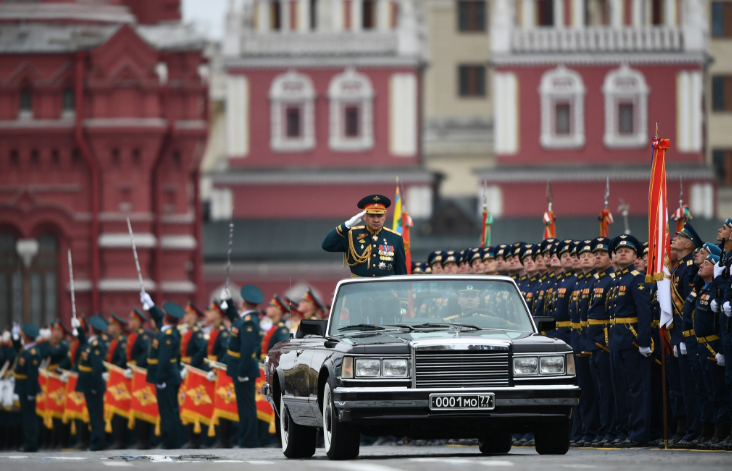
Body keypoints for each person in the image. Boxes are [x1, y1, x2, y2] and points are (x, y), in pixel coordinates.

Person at [608, 234, 653, 447]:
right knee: (621, 390)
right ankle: (624, 430)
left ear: (635, 255)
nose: (622, 253)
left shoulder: (636, 278)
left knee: (637, 389)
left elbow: (644, 312)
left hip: (633, 340)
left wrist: (644, 341)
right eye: (619, 250)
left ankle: (638, 433)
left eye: (627, 250)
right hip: (617, 340)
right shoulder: (617, 279)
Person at [669, 222, 702, 445]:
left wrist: (684, 335)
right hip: (679, 336)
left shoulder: (690, 267)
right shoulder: (679, 267)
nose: (674, 238)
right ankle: (683, 429)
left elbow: (688, 307)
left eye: (679, 236)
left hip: (688, 335)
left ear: (689, 244)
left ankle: (694, 430)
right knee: (679, 387)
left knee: (690, 387)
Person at [694, 253, 731, 449]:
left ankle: (721, 430)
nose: (701, 265)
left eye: (707, 263)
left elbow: (720, 325)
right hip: (701, 345)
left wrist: (722, 350)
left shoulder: (717, 291)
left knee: (718, 391)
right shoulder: (705, 289)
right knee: (705, 390)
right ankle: (707, 429)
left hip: (713, 345)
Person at [322, 195, 407, 277]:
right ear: (364, 216)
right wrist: (346, 225)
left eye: (380, 216)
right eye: (372, 216)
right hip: (359, 289)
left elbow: (401, 272)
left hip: (385, 289)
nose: (376, 220)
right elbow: (327, 245)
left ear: (385, 216)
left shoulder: (395, 238)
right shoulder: (352, 234)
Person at [224, 284, 264, 449]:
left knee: (247, 407)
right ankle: (246, 440)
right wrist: (227, 303)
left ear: (244, 302)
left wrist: (241, 371)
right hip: (241, 368)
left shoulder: (250, 322)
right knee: (244, 406)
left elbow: (247, 350)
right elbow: (235, 320)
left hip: (244, 370)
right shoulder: (246, 319)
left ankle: (248, 441)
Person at [76, 315, 109, 451]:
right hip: (89, 383)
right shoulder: (92, 342)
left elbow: (96, 368)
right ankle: (96, 441)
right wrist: (78, 328)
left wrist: (95, 386)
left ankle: (97, 443)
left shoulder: (97, 345)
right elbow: (84, 341)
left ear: (93, 329)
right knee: (93, 414)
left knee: (96, 416)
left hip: (93, 384)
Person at [13, 324, 41, 452]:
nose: (22, 337)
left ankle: (31, 443)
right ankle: (29, 442)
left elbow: (32, 375)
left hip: (27, 388)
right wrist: (15, 337)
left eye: (23, 335)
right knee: (26, 416)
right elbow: (17, 347)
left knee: (29, 417)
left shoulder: (33, 352)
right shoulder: (26, 350)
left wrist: (30, 392)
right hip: (23, 388)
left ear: (27, 337)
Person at [262, 295, 291, 359]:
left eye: (271, 306)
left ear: (278, 310)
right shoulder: (273, 326)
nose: (267, 308)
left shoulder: (281, 329)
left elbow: (284, 350)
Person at [181, 302, 207, 370]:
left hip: (191, 367)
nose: (184, 315)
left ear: (194, 316)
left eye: (187, 313)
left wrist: (191, 364)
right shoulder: (188, 331)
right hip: (183, 365)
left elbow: (202, 350)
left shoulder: (197, 332)